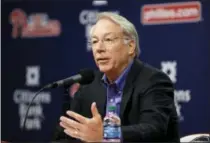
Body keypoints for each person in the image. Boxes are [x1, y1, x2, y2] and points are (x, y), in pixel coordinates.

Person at [53, 12, 180, 142]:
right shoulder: (88, 86)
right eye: (95, 42)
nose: (99, 48)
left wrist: (106, 134)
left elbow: (152, 130)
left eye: (108, 40)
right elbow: (63, 136)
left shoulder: (154, 80)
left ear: (131, 46)